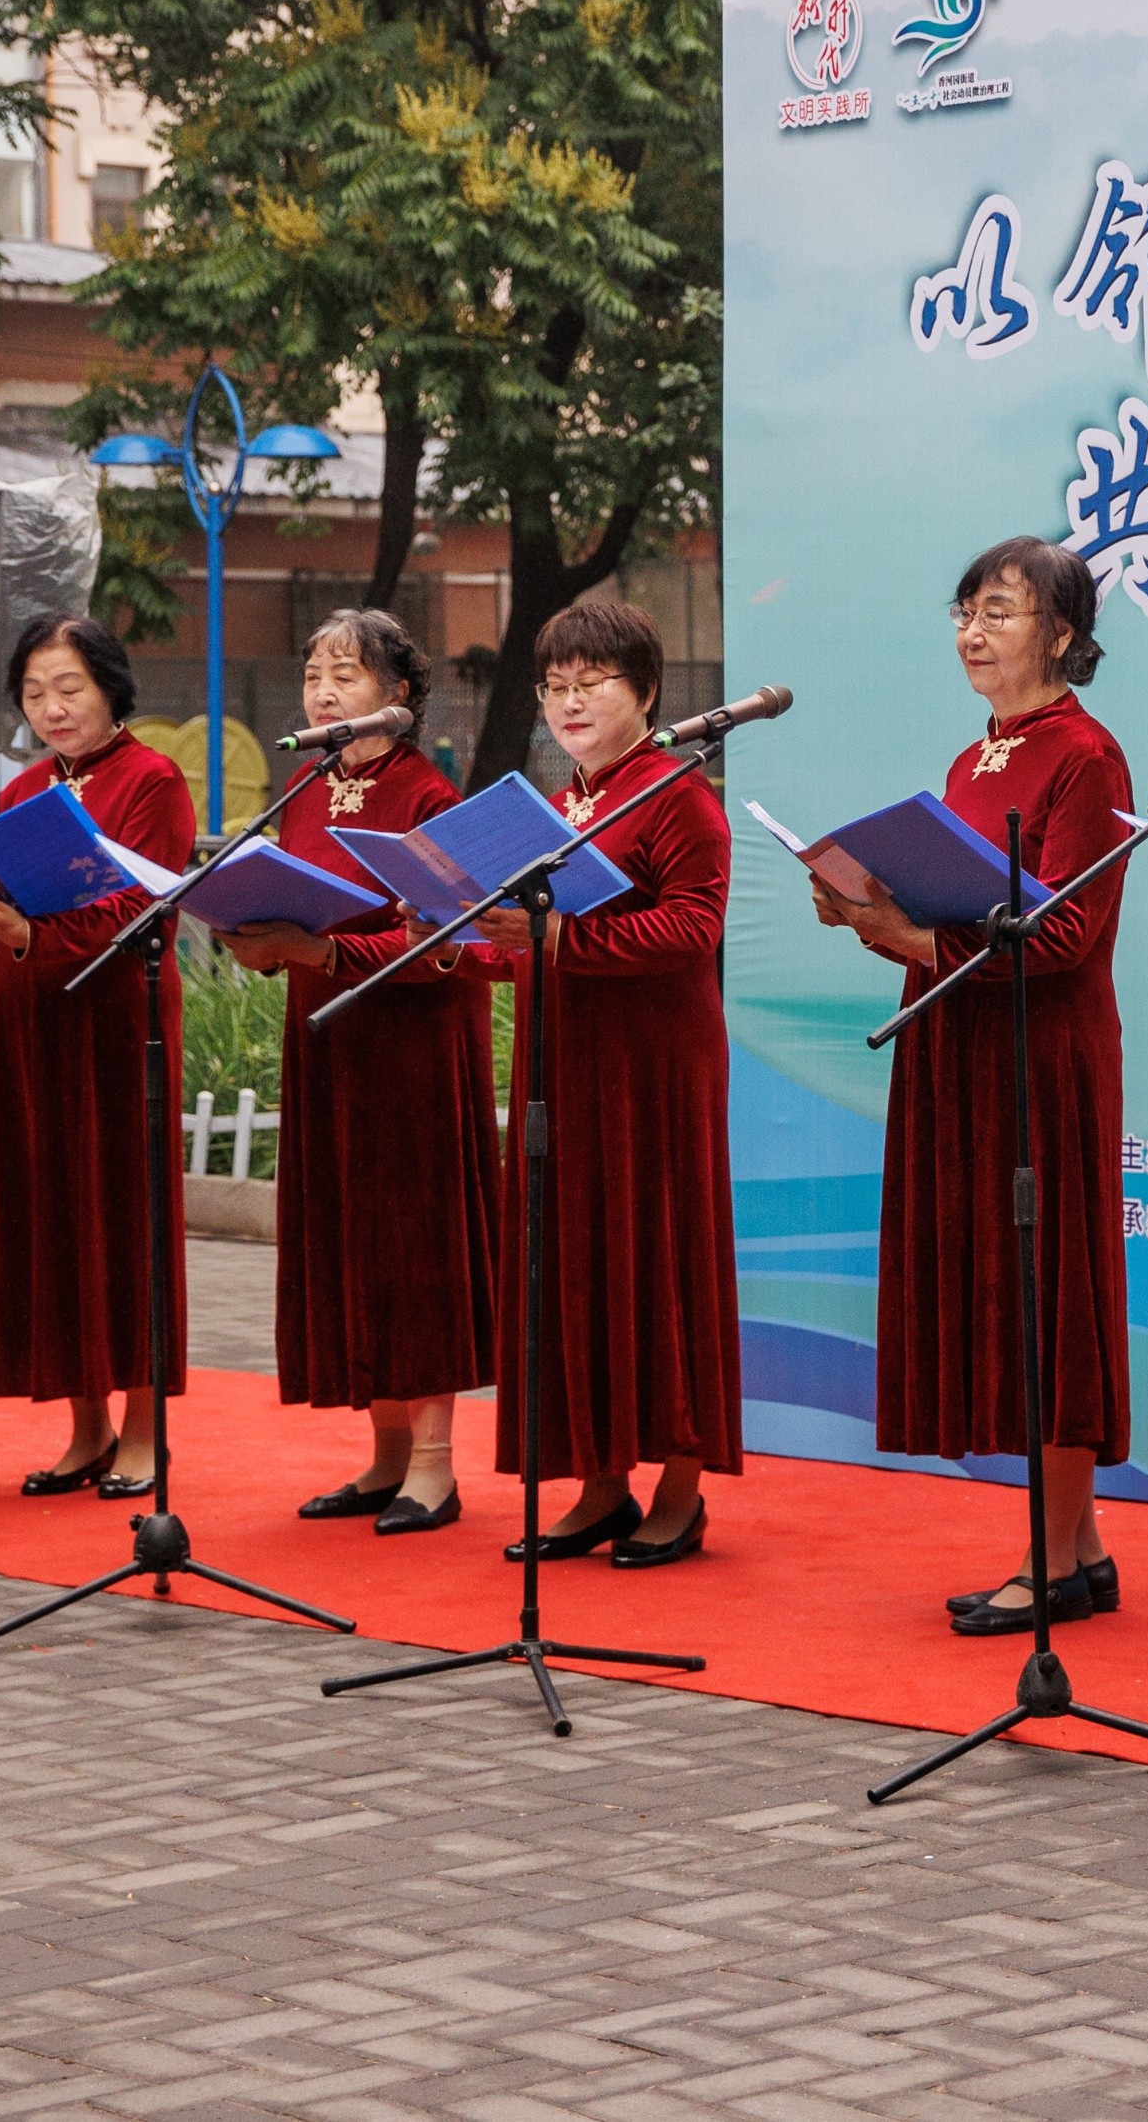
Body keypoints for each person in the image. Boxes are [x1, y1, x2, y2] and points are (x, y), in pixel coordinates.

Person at [818, 539, 1139, 1636]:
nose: (974, 630)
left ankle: (1054, 1564)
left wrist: (911, 929)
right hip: (959, 1047)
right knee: (1004, 1291)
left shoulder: (1085, 755)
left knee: (1049, 1292)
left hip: (1038, 1062)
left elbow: (1066, 934)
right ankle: (1080, 1551)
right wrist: (873, 915)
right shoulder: (978, 756)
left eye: (1000, 610)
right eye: (964, 610)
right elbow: (947, 929)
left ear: (1060, 632)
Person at [468, 598, 741, 1569]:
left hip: (653, 1073)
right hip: (564, 1069)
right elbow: (538, 944)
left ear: (650, 693)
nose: (569, 702)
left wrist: (561, 938)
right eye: (555, 686)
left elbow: (690, 932)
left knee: (657, 1261)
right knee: (576, 1263)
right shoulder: (566, 803)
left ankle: (679, 1488)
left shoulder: (675, 797)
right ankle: (597, 1483)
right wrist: (480, 937)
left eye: (593, 683)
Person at [221, 610, 503, 1536]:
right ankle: (382, 1456)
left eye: (346, 673)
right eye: (313, 673)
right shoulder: (303, 790)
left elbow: (446, 936)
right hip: (330, 1038)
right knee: (348, 1238)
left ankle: (433, 1464)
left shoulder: (430, 797)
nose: (323, 690)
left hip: (413, 1045)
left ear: (400, 696)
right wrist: (258, 939)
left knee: (413, 1245)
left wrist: (322, 949)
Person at [0, 615, 195, 1498]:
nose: (52, 708)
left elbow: (141, 909)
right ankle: (84, 1424)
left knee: (122, 1218)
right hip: (31, 1022)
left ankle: (143, 1427)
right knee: (55, 1218)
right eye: (34, 692)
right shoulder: (21, 789)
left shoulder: (153, 780)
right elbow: (6, 914)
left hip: (115, 1026)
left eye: (70, 688)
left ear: (111, 688)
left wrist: (27, 928)